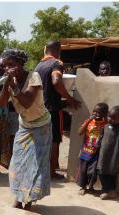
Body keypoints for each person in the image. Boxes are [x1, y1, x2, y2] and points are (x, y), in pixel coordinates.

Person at [0, 49, 52, 211]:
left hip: (41, 126)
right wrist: (7, 84)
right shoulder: (10, 81)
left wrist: (13, 86)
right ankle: (18, 196)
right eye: (5, 66)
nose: (8, 68)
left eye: (11, 64)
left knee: (35, 165)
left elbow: (27, 102)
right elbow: (1, 103)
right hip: (24, 125)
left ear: (21, 64)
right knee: (17, 163)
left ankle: (28, 200)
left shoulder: (33, 77)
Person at [34, 40, 80, 179]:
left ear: (45, 49)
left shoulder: (39, 65)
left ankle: (42, 169)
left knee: (41, 139)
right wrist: (69, 98)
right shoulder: (56, 63)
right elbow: (56, 81)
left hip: (39, 109)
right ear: (58, 50)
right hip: (53, 109)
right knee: (55, 140)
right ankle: (52, 171)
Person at [97, 105, 119, 200]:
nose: (110, 119)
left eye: (114, 118)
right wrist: (97, 145)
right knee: (101, 172)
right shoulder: (105, 127)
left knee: (112, 174)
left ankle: (111, 190)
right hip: (103, 155)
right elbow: (100, 137)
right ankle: (105, 190)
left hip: (114, 157)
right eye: (109, 116)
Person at [77, 103, 108, 195]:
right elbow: (80, 132)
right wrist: (88, 121)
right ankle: (82, 187)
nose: (96, 114)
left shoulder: (105, 124)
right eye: (94, 111)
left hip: (96, 152)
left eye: (99, 112)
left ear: (104, 114)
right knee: (83, 170)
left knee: (93, 171)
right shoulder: (89, 121)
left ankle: (90, 187)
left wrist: (105, 119)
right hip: (85, 151)